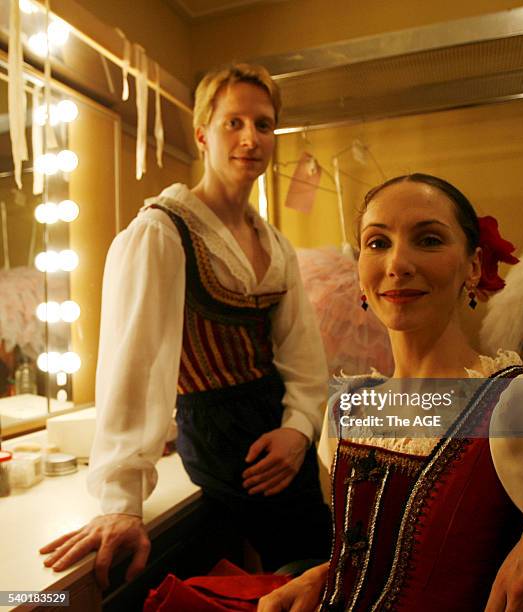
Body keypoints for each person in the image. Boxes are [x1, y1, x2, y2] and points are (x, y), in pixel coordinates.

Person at [40, 63, 331, 588]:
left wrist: (299, 427)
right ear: (202, 133)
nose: (251, 139)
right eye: (234, 123)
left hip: (281, 432)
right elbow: (135, 364)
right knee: (285, 570)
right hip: (217, 433)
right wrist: (121, 500)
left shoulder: (275, 243)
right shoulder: (161, 231)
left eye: (264, 125)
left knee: (317, 565)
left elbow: (302, 354)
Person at [258, 174, 523, 611]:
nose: (397, 264)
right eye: (377, 243)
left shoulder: (522, 400)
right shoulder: (348, 411)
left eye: (428, 240)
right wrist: (326, 575)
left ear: (472, 265)